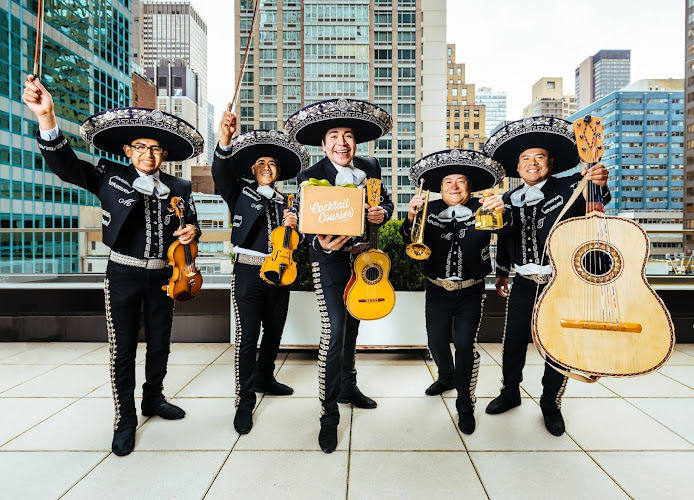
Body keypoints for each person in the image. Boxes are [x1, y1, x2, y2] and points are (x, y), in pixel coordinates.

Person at [22, 75, 204, 456]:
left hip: (165, 276)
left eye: (155, 149)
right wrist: (47, 117)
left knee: (160, 344)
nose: (148, 155)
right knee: (123, 349)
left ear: (164, 154)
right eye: (140, 148)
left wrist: (191, 233)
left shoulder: (181, 189)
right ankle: (125, 417)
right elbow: (66, 165)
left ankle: (153, 398)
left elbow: (194, 226)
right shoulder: (109, 175)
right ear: (128, 150)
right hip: (122, 273)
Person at [483, 116, 609, 436]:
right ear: (518, 165)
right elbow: (504, 239)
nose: (532, 163)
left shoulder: (571, 185)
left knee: (557, 344)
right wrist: (501, 274)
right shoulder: (508, 199)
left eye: (539, 157)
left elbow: (596, 202)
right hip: (524, 282)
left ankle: (550, 403)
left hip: (561, 282)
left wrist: (599, 183)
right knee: (513, 341)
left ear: (550, 162)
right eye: (526, 158)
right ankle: (510, 392)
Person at [284, 98, 394, 453]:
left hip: (363, 259)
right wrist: (322, 239)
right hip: (328, 261)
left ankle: (348, 386)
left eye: (348, 135)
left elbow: (387, 205)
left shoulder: (371, 166)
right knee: (334, 331)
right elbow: (303, 224)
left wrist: (382, 214)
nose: (342, 142)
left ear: (356, 142)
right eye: (334, 135)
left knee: (354, 327)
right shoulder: (308, 176)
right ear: (324, 143)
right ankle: (328, 415)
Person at [211, 108, 309, 434]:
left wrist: (297, 227)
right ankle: (244, 399)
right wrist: (224, 138)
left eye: (273, 164)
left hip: (282, 271)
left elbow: (297, 243)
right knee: (248, 336)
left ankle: (266, 377)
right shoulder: (238, 192)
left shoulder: (288, 203)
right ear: (253, 170)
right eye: (261, 164)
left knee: (275, 330)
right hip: (249, 272)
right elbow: (221, 171)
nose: (267, 168)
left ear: (279, 171)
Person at [402, 149, 507, 434]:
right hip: (436, 290)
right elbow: (409, 241)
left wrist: (503, 215)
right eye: (449, 181)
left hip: (470, 291)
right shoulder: (429, 209)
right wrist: (411, 217)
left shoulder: (484, 208)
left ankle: (465, 404)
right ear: (440, 187)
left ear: (470, 187)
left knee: (464, 346)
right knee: (435, 341)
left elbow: (506, 234)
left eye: (461, 181)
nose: (455, 187)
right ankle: (445, 376)